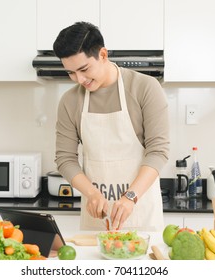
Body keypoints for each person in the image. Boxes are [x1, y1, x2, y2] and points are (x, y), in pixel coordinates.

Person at [53, 22, 169, 231]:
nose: (79, 79)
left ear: (103, 54)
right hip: (96, 216)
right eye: (70, 73)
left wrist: (130, 197)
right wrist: (92, 194)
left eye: (84, 69)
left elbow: (158, 151)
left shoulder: (144, 88)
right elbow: (65, 159)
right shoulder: (70, 101)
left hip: (141, 212)